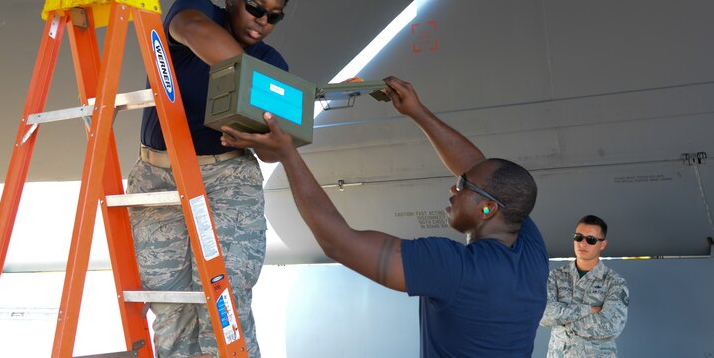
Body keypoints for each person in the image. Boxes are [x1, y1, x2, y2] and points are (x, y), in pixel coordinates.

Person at [220, 76, 550, 358]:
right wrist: (416, 112)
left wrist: (287, 154)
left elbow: (339, 242)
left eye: (463, 186)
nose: (453, 186)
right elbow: (480, 168)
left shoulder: (453, 267)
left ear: (488, 209)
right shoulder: (529, 249)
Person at [126, 0, 291, 358]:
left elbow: (276, 147)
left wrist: (255, 136)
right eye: (255, 8)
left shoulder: (273, 63)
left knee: (224, 297)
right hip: (157, 176)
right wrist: (262, 90)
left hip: (227, 176)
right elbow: (192, 30)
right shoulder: (197, 9)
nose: (262, 22)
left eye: (274, 17)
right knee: (169, 303)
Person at [540, 215, 629, 357]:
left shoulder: (614, 282)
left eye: (591, 239)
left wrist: (562, 320)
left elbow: (611, 327)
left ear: (603, 244)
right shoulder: (556, 276)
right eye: (578, 237)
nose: (583, 243)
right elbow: (543, 315)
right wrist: (589, 310)